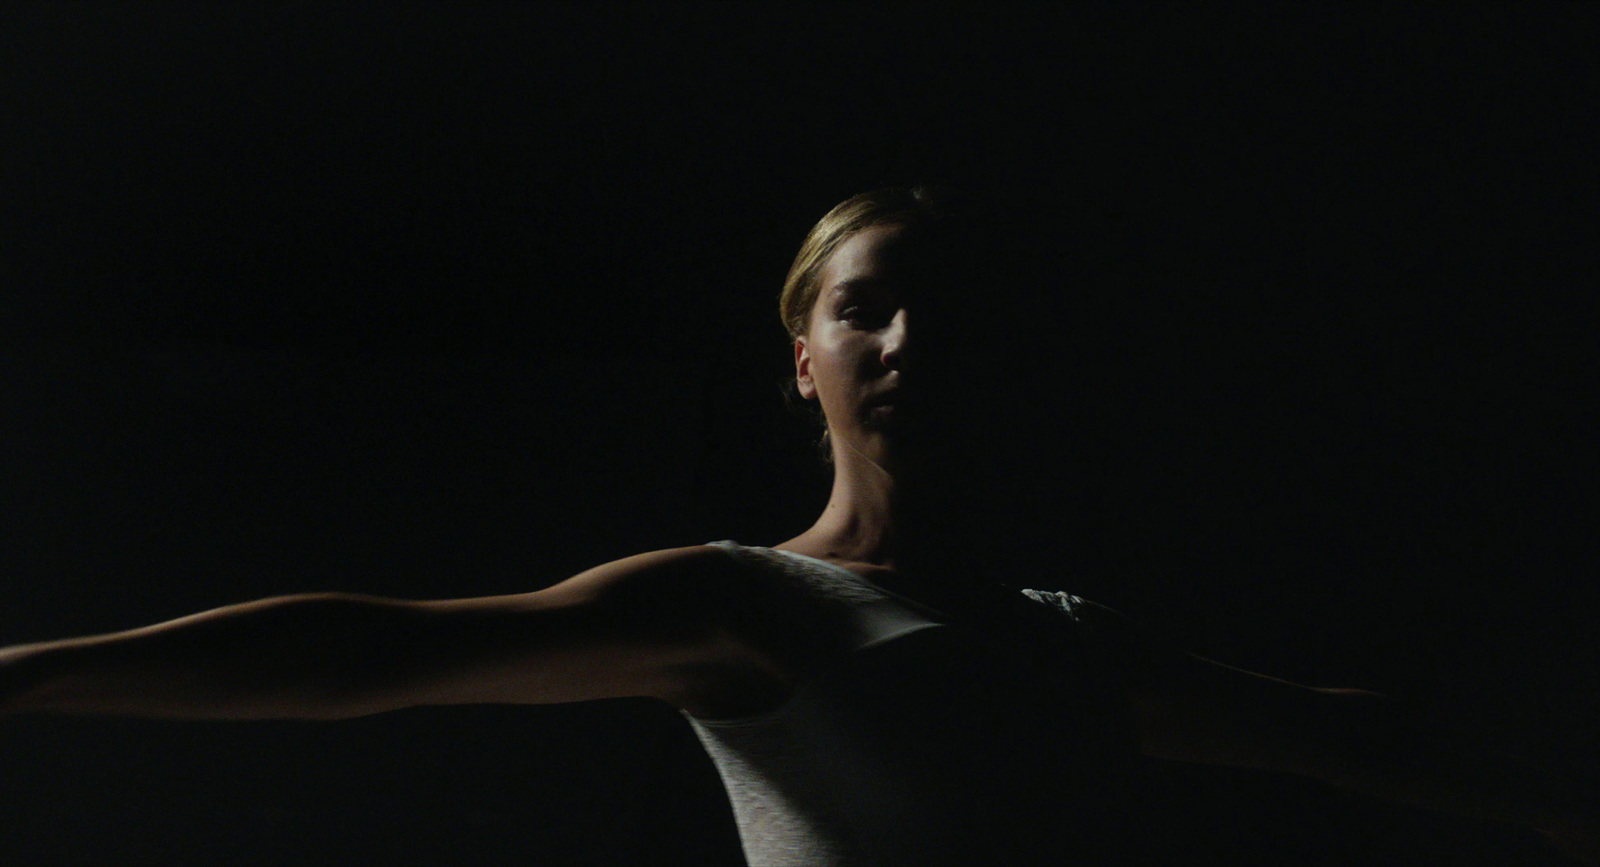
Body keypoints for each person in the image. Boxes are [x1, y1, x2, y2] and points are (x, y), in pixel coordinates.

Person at [1, 187, 1594, 865]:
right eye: (864, 310)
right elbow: (379, 651)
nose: (903, 344)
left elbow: (1360, 737)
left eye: (942, 316)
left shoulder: (1065, 641)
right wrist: (30, 671)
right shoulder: (755, 608)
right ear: (805, 356)